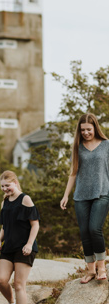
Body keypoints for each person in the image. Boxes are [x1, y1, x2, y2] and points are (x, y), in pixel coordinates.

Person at [60, 113, 109, 283]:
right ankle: (90, 270)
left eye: (89, 129)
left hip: (102, 193)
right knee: (84, 232)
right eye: (83, 130)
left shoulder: (106, 145)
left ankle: (101, 267)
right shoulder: (77, 147)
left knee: (95, 228)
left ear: (95, 127)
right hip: (81, 195)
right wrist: (66, 195)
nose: (86, 133)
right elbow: (73, 172)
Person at [0, 170, 39, 304]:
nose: (5, 189)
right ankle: (11, 302)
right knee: (1, 280)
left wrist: (29, 243)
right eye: (2, 186)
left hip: (24, 247)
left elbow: (35, 224)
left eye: (8, 185)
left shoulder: (25, 199)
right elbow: (4, 226)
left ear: (15, 182)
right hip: (9, 247)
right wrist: (0, 239)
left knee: (19, 284)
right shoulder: (4, 202)